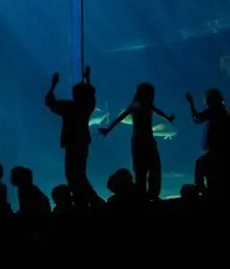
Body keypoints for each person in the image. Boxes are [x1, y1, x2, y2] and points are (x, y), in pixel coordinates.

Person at [99, 83, 175, 200]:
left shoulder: (149, 105)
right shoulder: (136, 105)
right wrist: (108, 129)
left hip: (148, 140)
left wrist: (168, 118)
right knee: (141, 170)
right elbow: (120, 117)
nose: (153, 96)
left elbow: (158, 111)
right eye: (151, 93)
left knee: (154, 168)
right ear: (145, 93)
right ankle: (142, 196)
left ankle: (152, 195)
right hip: (139, 141)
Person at [45, 65, 101, 209]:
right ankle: (86, 201)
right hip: (83, 142)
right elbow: (91, 95)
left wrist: (53, 85)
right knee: (80, 172)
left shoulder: (70, 107)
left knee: (72, 175)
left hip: (71, 144)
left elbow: (50, 103)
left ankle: (89, 201)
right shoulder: (87, 107)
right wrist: (88, 79)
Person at [186, 89, 229, 196]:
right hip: (222, 151)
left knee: (200, 164)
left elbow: (197, 118)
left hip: (215, 151)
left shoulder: (213, 111)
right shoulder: (223, 112)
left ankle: (200, 188)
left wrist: (191, 103)